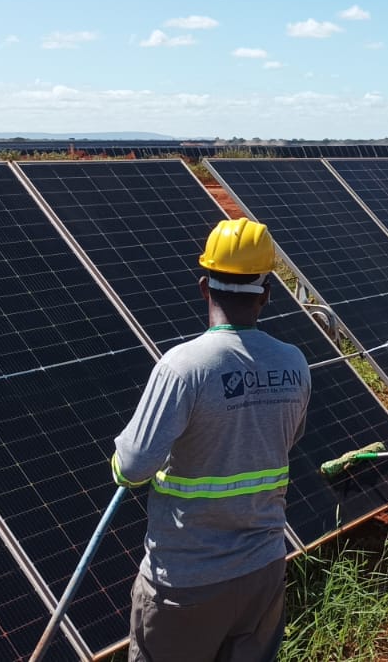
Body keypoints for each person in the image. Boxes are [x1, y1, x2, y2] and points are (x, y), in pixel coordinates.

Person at [112, 219, 311, 662]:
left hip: (187, 580)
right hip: (263, 569)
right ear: (266, 294)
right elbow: (287, 440)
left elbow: (132, 466)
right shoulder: (295, 364)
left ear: (204, 287)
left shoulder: (183, 368)